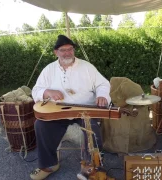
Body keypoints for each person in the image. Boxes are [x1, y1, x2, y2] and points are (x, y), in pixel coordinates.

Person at [30, 35, 111, 180]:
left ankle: (92, 166)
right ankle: (49, 164)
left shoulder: (87, 67)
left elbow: (102, 84)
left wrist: (102, 95)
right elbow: (36, 90)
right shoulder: (49, 70)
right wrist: (47, 92)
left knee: (92, 127)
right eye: (63, 50)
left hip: (85, 109)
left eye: (70, 49)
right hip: (58, 111)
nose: (67, 53)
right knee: (41, 125)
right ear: (56, 52)